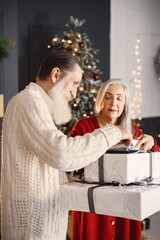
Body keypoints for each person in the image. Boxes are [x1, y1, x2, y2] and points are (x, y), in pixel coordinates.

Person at [1, 51, 133, 240]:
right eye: (75, 83)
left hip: (38, 221)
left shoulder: (34, 103)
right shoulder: (29, 102)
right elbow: (61, 153)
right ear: (56, 75)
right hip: (32, 225)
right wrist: (114, 132)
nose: (75, 92)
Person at [69, 78, 160, 240]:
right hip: (93, 210)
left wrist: (152, 143)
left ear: (125, 103)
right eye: (108, 96)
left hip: (124, 209)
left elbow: (153, 157)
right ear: (101, 100)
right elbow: (69, 158)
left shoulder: (132, 130)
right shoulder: (83, 127)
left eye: (119, 98)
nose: (113, 103)